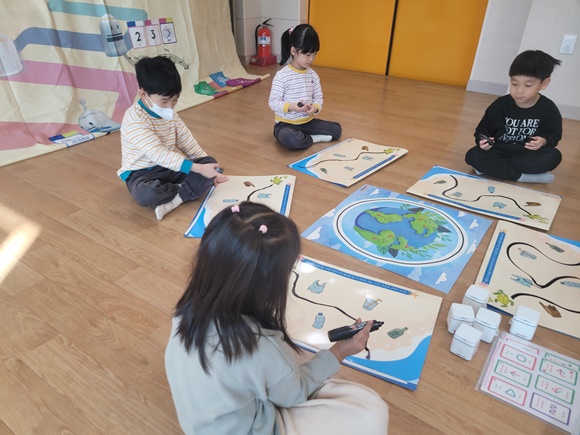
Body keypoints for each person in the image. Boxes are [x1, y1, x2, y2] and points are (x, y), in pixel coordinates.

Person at [165, 202, 389, 435]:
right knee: (371, 410)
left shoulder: (186, 308)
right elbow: (294, 394)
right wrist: (339, 351)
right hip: (247, 428)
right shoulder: (260, 346)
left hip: (201, 424)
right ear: (268, 284)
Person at [117, 56, 228, 220]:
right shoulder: (135, 119)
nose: (170, 107)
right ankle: (185, 191)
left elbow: (187, 142)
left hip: (168, 168)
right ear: (143, 94)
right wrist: (198, 170)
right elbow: (159, 154)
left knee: (210, 163)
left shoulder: (170, 114)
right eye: (164, 101)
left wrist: (207, 167)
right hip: (141, 174)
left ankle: (175, 199)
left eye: (174, 101)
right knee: (146, 194)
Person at [465, 50, 563, 183]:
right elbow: (482, 130)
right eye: (514, 83)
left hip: (526, 153)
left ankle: (495, 169)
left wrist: (543, 141)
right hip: (499, 149)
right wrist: (483, 141)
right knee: (473, 155)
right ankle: (523, 177)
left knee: (553, 156)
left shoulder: (548, 108)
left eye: (528, 85)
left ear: (544, 83)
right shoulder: (500, 104)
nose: (519, 91)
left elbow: (554, 136)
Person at [268, 24, 342, 150]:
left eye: (314, 54)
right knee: (290, 139)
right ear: (293, 51)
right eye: (307, 54)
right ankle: (313, 139)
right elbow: (273, 102)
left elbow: (318, 97)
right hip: (286, 125)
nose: (311, 59)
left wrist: (315, 108)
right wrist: (291, 107)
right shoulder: (282, 75)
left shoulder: (313, 75)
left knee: (336, 130)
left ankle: (304, 137)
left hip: (308, 122)